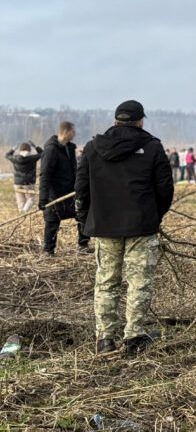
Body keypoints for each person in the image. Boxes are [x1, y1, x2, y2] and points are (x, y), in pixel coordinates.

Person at [75, 99, 174, 356]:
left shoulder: (92, 148)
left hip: (105, 227)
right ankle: (134, 337)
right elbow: (165, 189)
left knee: (106, 282)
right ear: (140, 121)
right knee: (139, 282)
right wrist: (154, 216)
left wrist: (87, 220)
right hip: (141, 226)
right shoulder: (152, 147)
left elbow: (81, 190)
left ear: (116, 120)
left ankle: (105, 340)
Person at [39, 121, 88, 256]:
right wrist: (43, 198)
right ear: (66, 132)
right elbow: (45, 175)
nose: (75, 134)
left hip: (71, 193)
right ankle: (48, 251)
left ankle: (83, 245)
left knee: (81, 214)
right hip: (55, 195)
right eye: (73, 131)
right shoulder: (51, 150)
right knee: (52, 221)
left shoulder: (70, 148)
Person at [6, 141, 42, 213]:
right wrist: (35, 147)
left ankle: (21, 213)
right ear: (29, 150)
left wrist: (13, 149)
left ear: (20, 150)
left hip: (17, 183)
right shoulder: (32, 158)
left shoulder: (15, 158)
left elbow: (7, 155)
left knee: (20, 200)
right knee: (31, 198)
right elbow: (42, 153)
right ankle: (24, 211)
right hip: (29, 182)